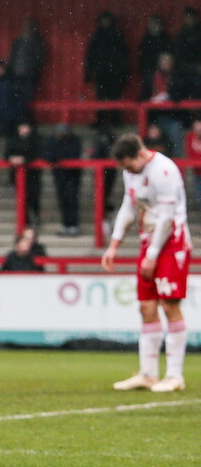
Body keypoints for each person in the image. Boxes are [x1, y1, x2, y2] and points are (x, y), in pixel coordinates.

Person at [102, 134, 192, 393]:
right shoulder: (131, 171)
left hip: (172, 240)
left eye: (129, 165)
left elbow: (166, 218)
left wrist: (152, 255)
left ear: (140, 155)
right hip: (149, 239)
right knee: (146, 306)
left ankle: (175, 376)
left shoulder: (164, 171)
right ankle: (148, 374)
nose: (127, 171)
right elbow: (129, 207)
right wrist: (114, 244)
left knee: (169, 303)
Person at [44, 124, 83, 236]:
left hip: (72, 176)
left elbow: (73, 155)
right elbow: (48, 156)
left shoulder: (74, 140)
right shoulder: (52, 141)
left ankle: (73, 225)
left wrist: (59, 157)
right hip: (60, 176)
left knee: (72, 200)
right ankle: (66, 224)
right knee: (63, 200)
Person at [5, 121, 43, 226]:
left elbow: (39, 154)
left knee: (34, 197)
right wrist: (11, 158)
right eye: (22, 127)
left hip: (33, 175)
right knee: (22, 199)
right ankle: (26, 221)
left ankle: (36, 215)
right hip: (17, 175)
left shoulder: (35, 140)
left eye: (26, 127)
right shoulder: (13, 140)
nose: (24, 129)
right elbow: (6, 154)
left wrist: (24, 159)